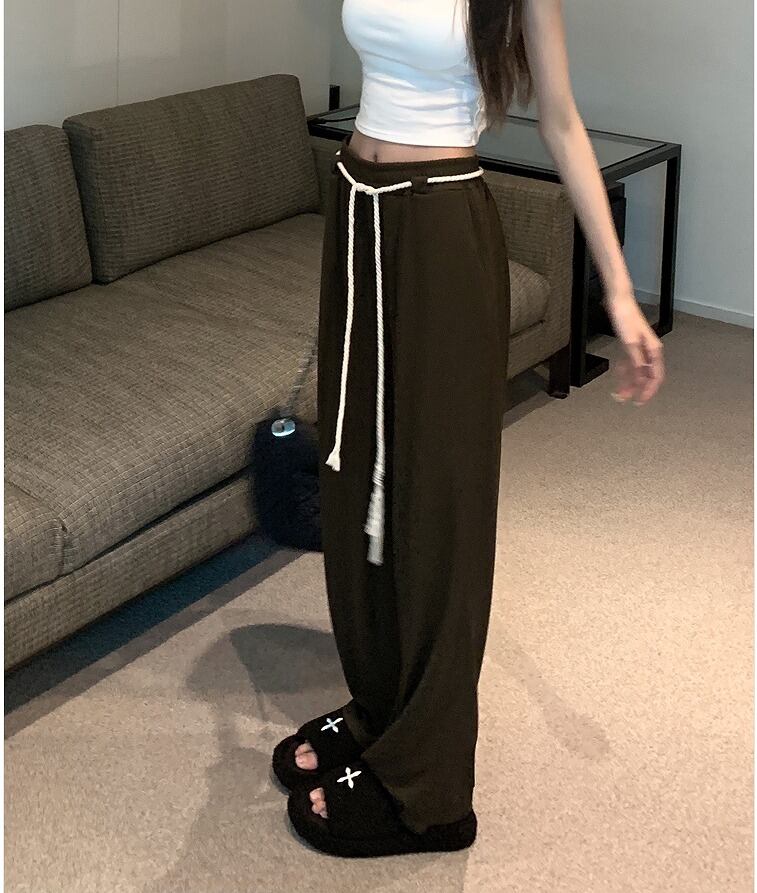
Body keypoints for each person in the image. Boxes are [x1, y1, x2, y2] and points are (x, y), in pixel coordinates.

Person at [273, 0, 665, 858]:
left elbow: (561, 122)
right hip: (358, 211)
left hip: (440, 223)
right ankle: (380, 709)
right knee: (354, 471)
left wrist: (619, 292)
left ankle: (430, 791)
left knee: (437, 503)